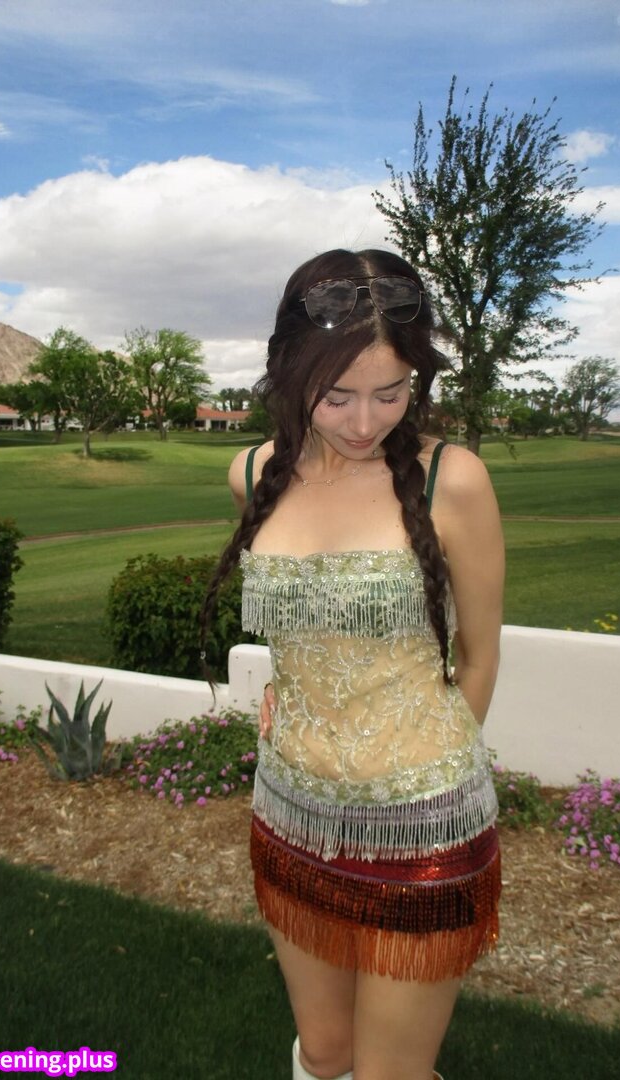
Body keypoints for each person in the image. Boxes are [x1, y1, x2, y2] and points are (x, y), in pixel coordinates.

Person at [201, 248, 504, 1080]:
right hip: (291, 814)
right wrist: (290, 696)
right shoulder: (252, 472)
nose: (365, 422)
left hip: (424, 827)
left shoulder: (454, 481)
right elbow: (302, 628)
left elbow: (479, 656)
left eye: (391, 392)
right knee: (325, 1051)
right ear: (288, 372)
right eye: (335, 396)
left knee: (389, 1072)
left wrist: (423, 770)